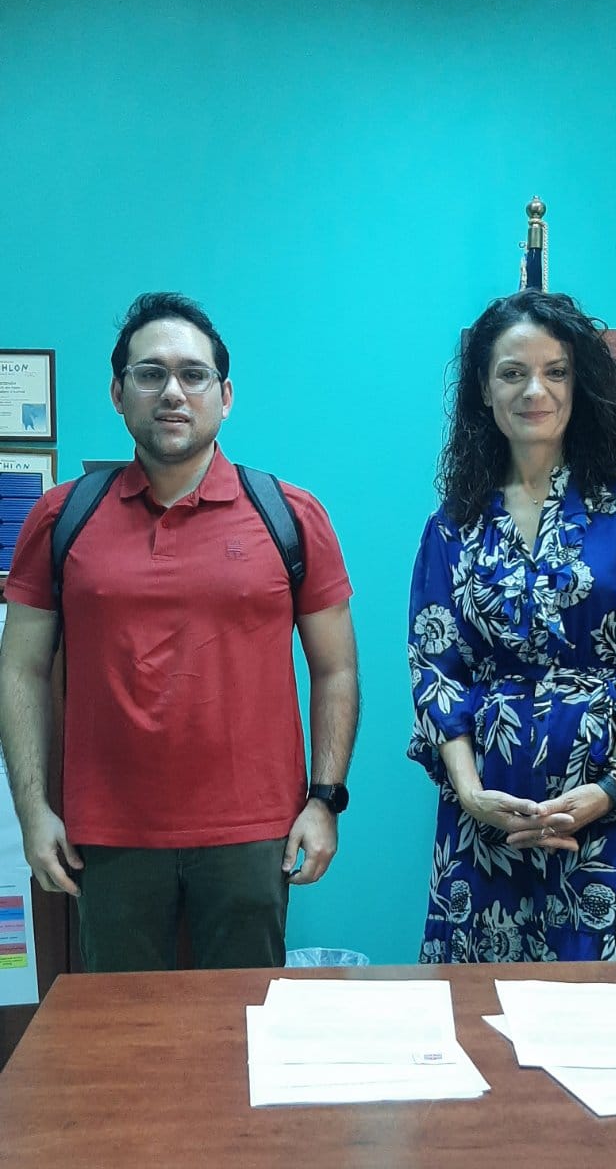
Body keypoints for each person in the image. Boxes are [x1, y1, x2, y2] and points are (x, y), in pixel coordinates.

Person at [0, 292, 359, 971]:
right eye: (150, 373)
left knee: (244, 1022)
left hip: (254, 833)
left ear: (225, 396)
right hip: (107, 836)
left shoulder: (289, 515)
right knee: (125, 1027)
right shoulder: (59, 518)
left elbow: (336, 668)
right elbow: (19, 668)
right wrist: (32, 810)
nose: (172, 391)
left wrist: (325, 800)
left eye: (193, 375)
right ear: (118, 393)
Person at [408, 289, 616, 963]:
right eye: (512, 373)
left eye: (555, 371)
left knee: (610, 1007)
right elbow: (435, 672)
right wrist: (472, 794)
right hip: (488, 822)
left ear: (578, 383)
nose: (534, 390)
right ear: (484, 390)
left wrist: (612, 786)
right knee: (483, 1006)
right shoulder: (453, 525)